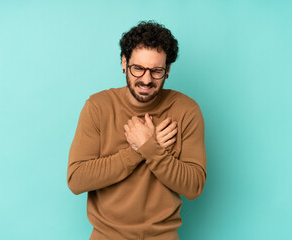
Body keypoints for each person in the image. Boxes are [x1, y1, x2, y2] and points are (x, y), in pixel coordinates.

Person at [67, 21, 207, 240]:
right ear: (124, 63)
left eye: (157, 70)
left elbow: (194, 186)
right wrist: (139, 150)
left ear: (168, 70)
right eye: (138, 68)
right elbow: (77, 179)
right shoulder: (98, 106)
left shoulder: (186, 110)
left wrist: (149, 148)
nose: (146, 79)